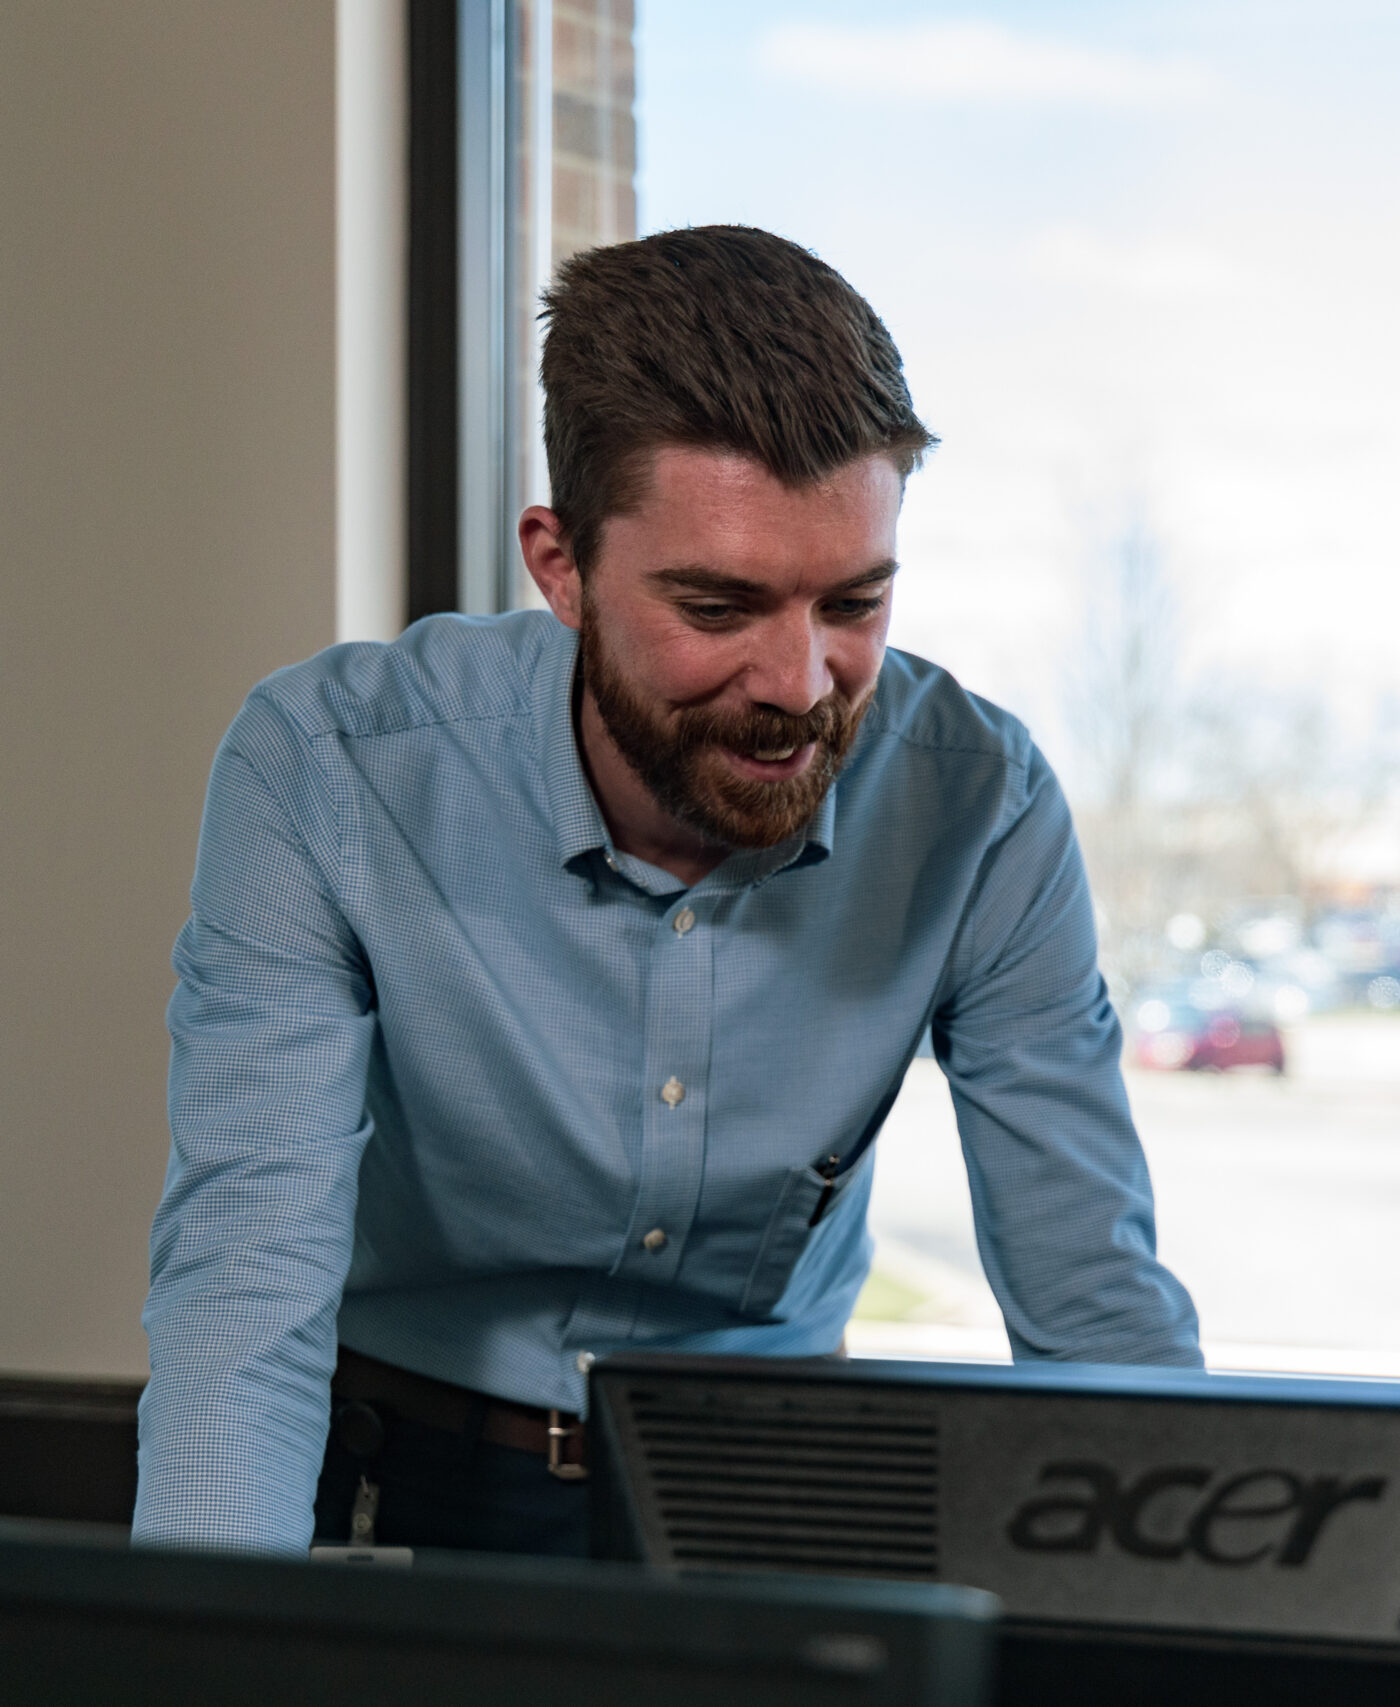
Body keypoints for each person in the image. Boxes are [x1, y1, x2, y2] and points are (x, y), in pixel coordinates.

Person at [134, 226, 1201, 1557]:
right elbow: (246, 1278)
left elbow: (1092, 1295)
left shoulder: (981, 804)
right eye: (719, 607)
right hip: (403, 1473)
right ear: (561, 565)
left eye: (853, 605)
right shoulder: (334, 767)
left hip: (768, 1485)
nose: (799, 683)